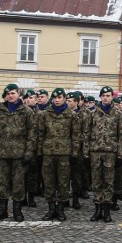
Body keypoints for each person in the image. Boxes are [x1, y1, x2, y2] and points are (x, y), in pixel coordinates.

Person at [0, 84, 37, 223]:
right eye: (8, 93)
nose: (11, 96)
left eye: (13, 93)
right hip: (2, 153)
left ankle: (17, 210)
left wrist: (28, 153)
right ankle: (2, 210)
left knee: (18, 183)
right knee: (2, 182)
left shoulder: (26, 111)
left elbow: (32, 134)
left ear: (18, 94)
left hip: (19, 153)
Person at [83, 86, 122, 223]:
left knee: (108, 182)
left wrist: (121, 154)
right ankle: (97, 210)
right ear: (100, 97)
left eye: (108, 95)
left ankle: (107, 211)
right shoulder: (93, 113)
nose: (105, 98)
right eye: (103, 96)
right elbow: (87, 134)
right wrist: (85, 154)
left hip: (110, 153)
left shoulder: (118, 114)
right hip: (95, 152)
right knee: (96, 182)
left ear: (112, 97)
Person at [36, 88, 77, 221]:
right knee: (49, 181)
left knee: (63, 181)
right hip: (48, 152)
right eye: (55, 98)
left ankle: (60, 208)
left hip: (64, 153)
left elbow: (75, 135)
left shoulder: (71, 115)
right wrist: (39, 152)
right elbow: (40, 134)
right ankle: (51, 208)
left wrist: (75, 153)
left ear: (64, 98)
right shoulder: (45, 114)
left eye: (59, 97)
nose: (57, 100)